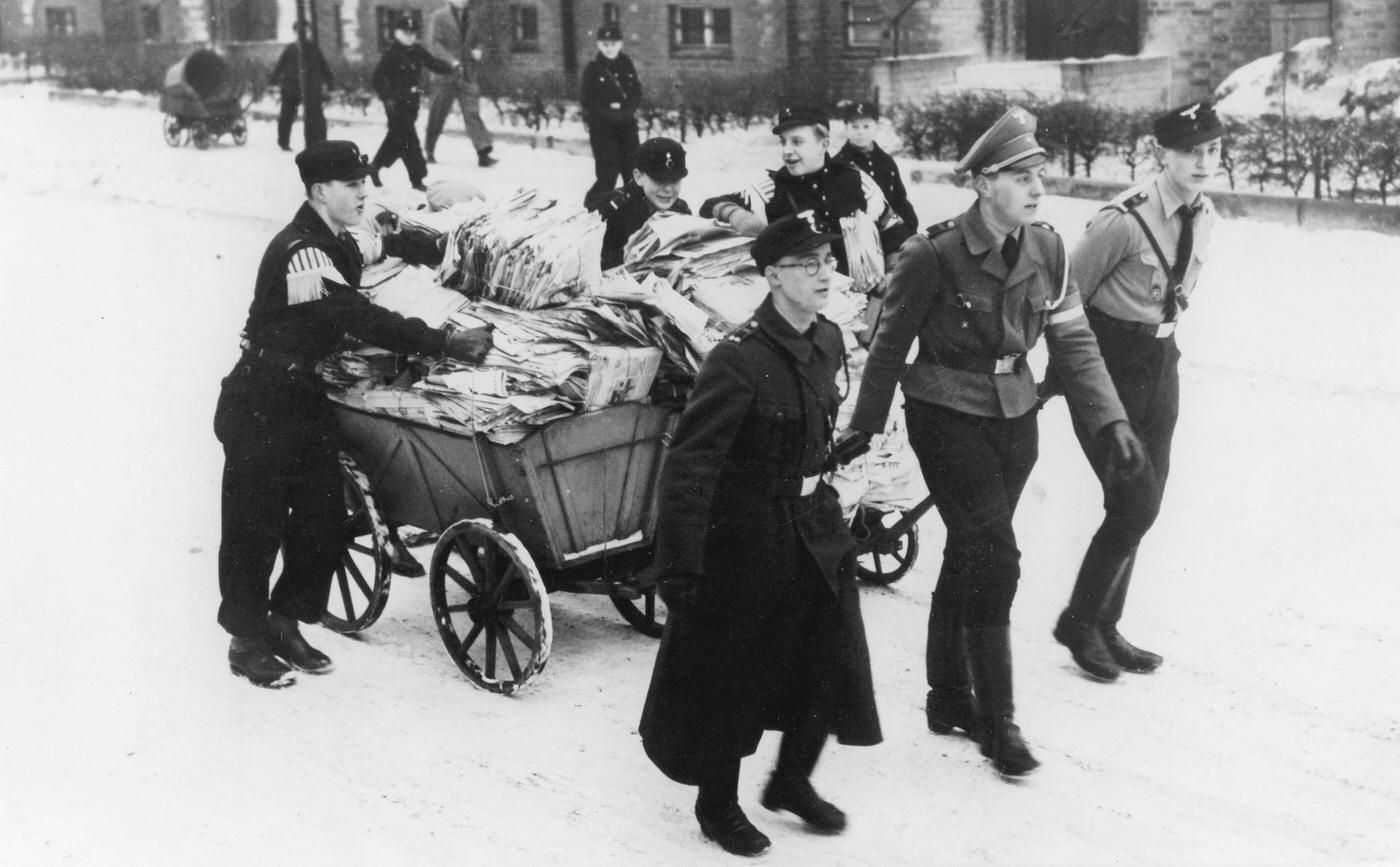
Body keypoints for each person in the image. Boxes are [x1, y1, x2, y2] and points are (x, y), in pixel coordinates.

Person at [838, 107, 1146, 777]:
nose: (1037, 187)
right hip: (945, 412)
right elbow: (890, 344)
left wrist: (1111, 420)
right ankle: (996, 720)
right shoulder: (933, 253)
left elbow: (1074, 339)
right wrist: (862, 425)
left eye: (1039, 173)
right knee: (996, 556)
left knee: (973, 551)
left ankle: (946, 694)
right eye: (1019, 175)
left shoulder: (1047, 248)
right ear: (982, 184)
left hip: (1016, 416)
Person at [640, 215, 882, 857]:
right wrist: (681, 562)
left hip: (813, 521)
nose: (825, 271)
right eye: (808, 264)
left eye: (827, 259)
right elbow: (693, 463)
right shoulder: (738, 360)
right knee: (734, 670)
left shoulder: (828, 338)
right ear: (773, 276)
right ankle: (716, 804)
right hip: (748, 531)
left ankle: (790, 782)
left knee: (832, 654)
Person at [215, 140, 493, 689]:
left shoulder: (335, 238)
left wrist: (415, 241)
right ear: (320, 192)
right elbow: (357, 315)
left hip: (303, 396)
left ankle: (285, 619)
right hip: (262, 399)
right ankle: (246, 641)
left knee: (322, 516)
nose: (364, 190)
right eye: (351, 184)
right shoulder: (300, 252)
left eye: (364, 180)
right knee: (256, 522)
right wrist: (443, 342)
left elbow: (372, 241)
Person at [1049, 100, 1224, 681]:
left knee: (1143, 504)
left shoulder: (1206, 216)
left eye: (1212, 150)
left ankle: (1102, 623)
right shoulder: (1120, 220)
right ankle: (1080, 622)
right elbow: (1065, 299)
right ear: (1160, 154)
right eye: (1189, 152)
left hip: (1160, 364)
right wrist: (1064, 376)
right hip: (1107, 367)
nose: (1202, 162)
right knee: (1134, 502)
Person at [699, 104, 911, 275]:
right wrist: (734, 213)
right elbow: (708, 206)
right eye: (783, 142)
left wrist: (892, 271)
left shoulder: (855, 180)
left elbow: (894, 231)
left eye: (797, 142)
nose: (787, 151)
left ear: (824, 144)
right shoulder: (772, 187)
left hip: (857, 300)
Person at [369, 15, 459, 192]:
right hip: (395, 105)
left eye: (412, 33)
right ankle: (417, 179)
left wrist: (450, 67)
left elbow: (431, 63)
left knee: (397, 139)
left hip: (412, 103)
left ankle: (375, 166)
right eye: (405, 32)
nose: (409, 36)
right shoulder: (391, 54)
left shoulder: (417, 51)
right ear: (396, 33)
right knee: (409, 140)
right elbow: (377, 78)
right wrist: (388, 97)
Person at [585, 136, 690, 270]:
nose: (668, 189)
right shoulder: (613, 211)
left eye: (674, 180)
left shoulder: (681, 211)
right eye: (659, 180)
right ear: (639, 177)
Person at [424, 0, 497, 167]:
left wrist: (479, 50)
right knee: (438, 113)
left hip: (467, 74)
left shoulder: (472, 16)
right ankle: (429, 150)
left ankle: (483, 153)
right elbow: (435, 43)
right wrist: (452, 61)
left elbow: (478, 40)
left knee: (472, 114)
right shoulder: (438, 17)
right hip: (445, 74)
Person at [580, 25, 643, 207]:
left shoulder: (626, 64)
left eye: (613, 43)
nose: (609, 47)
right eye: (605, 43)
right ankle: (593, 207)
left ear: (620, 44)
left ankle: (635, 206)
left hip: (627, 125)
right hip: (602, 128)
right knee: (608, 172)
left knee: (632, 170)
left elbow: (636, 91)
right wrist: (611, 115)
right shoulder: (593, 69)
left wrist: (627, 112)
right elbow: (588, 100)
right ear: (599, 44)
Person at [834, 101, 918, 233]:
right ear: (846, 128)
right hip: (855, 236)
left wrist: (910, 229)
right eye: (855, 127)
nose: (860, 132)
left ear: (876, 127)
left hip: (890, 234)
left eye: (866, 126)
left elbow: (900, 199)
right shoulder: (839, 164)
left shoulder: (886, 161)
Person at [269, 22, 334, 151]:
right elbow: (280, 66)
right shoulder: (291, 49)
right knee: (287, 115)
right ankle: (283, 141)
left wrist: (330, 83)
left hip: (308, 87)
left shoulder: (313, 49)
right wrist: (272, 81)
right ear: (296, 33)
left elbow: (323, 66)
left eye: (304, 31)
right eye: (299, 32)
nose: (302, 34)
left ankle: (318, 142)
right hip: (291, 87)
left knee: (315, 114)